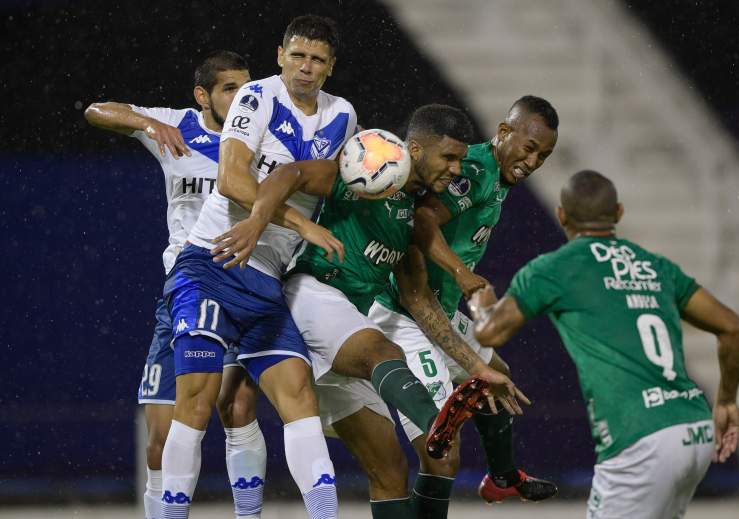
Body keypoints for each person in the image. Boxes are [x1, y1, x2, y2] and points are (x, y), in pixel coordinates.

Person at [213, 104, 527, 518]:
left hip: (349, 333)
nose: (455, 170)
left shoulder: (415, 214)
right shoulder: (369, 163)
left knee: (391, 471)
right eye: (448, 158)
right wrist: (260, 220)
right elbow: (292, 175)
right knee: (386, 354)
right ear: (415, 149)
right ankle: (435, 422)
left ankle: (435, 428)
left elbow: (419, 301)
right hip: (312, 293)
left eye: (461, 160)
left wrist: (475, 367)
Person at [161, 15, 355, 519]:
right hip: (211, 260)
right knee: (198, 404)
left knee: (297, 396)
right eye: (298, 55)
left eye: (316, 59)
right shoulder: (258, 96)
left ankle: (324, 514)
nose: (305, 68)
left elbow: (328, 186)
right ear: (280, 55)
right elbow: (230, 179)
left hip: (266, 276)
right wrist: (301, 225)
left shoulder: (342, 117)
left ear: (331, 66)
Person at [468, 170, 739, 519]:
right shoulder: (654, 266)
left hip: (639, 437)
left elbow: (490, 333)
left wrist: (481, 303)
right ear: (618, 213)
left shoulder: (554, 269)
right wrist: (727, 402)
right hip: (694, 429)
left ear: (562, 216)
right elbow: (733, 329)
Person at [370, 96, 560, 516]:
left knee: (499, 378)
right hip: (406, 314)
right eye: (529, 148)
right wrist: (460, 272)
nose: (534, 161)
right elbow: (422, 221)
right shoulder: (473, 171)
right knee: (442, 456)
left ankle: (503, 477)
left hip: (439, 305)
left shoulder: (497, 175)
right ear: (505, 132)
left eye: (544, 155)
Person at [83, 50, 251, 519]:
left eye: (246, 87)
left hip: (240, 287)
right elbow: (96, 111)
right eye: (229, 89)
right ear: (203, 95)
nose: (242, 99)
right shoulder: (176, 125)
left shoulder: (259, 133)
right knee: (160, 439)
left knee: (236, 413)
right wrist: (145, 124)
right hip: (181, 291)